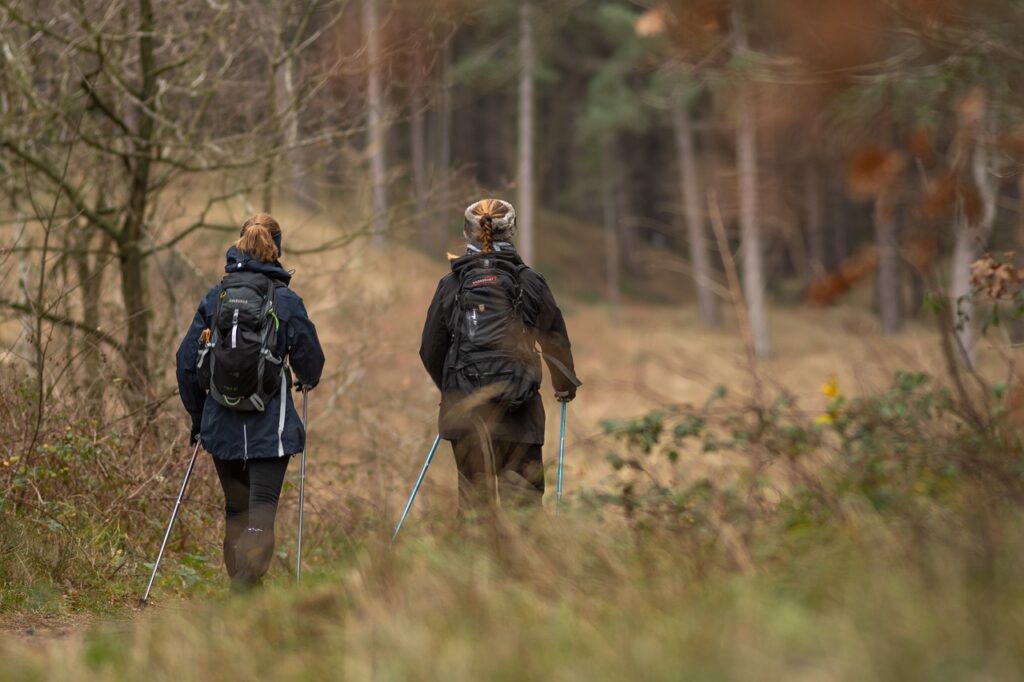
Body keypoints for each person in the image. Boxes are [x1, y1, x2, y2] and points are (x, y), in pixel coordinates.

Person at [176, 214, 324, 589]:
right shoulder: (286, 300)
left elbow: (185, 361)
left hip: (221, 425)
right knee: (260, 512)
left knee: (236, 511)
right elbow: (311, 361)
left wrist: (199, 417)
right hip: (269, 431)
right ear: (278, 247)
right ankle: (245, 588)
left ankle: (243, 591)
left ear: (238, 245)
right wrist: (305, 378)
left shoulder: (216, 297)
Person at [420, 199, 579, 512]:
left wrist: (455, 390)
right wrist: (564, 386)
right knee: (523, 510)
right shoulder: (531, 281)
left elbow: (430, 348)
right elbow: (555, 341)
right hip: (520, 416)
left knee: (474, 511)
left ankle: (471, 561)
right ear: (513, 231)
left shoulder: (450, 285)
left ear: (467, 233)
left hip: (465, 418)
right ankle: (520, 562)